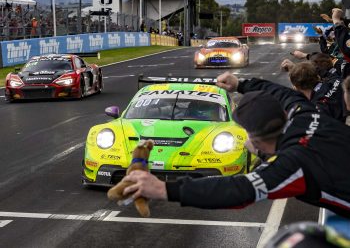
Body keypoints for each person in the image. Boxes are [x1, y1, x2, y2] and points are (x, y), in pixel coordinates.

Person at [119, 72, 350, 220]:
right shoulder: (305, 113)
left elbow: (237, 190)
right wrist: (241, 84)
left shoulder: (290, 166)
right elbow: (281, 93)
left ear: (253, 137)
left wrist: (163, 189)